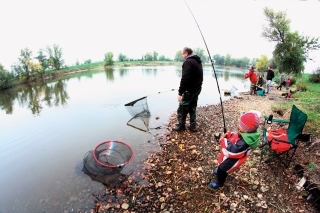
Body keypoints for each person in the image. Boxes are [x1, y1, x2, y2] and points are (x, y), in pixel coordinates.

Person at [208, 111, 260, 189]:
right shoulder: (249, 133)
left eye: (240, 124)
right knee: (221, 167)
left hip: (234, 159)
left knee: (222, 168)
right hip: (235, 155)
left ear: (246, 129)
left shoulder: (245, 143)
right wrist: (229, 135)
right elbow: (237, 136)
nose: (238, 125)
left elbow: (231, 151)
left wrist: (223, 140)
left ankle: (220, 183)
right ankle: (220, 172)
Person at [172, 47, 203, 132]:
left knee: (182, 108)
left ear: (186, 53)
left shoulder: (188, 62)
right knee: (192, 107)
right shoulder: (197, 61)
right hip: (197, 89)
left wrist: (180, 92)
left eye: (182, 54)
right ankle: (192, 126)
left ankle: (181, 125)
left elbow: (185, 78)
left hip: (189, 90)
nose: (182, 55)